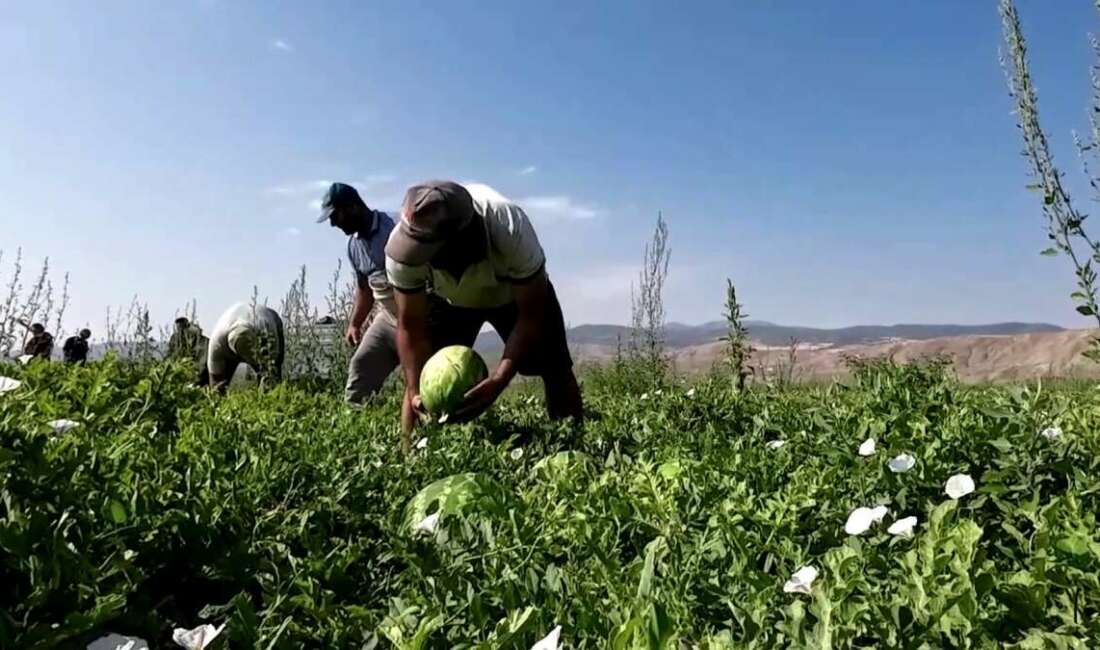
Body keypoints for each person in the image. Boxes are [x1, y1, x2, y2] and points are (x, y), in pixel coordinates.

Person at [385, 180, 583, 440]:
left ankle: (572, 442)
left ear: (461, 238)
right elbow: (410, 326)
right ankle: (409, 453)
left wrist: (499, 380)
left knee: (555, 366)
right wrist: (414, 389)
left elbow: (531, 314)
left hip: (512, 295)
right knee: (422, 375)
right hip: (449, 301)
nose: (422, 258)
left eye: (429, 250)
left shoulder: (509, 227)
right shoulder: (403, 251)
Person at [316, 182, 400, 404]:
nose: (332, 223)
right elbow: (364, 289)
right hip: (389, 318)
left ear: (353, 207)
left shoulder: (395, 227)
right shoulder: (353, 246)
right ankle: (352, 418)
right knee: (361, 365)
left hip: (420, 317)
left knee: (423, 375)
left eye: (335, 216)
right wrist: (355, 324)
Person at [206, 302, 285, 392]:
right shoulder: (217, 344)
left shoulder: (268, 331)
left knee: (270, 376)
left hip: (262, 323)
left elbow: (272, 367)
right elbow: (215, 380)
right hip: (235, 322)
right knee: (220, 384)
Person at [168, 317, 210, 385]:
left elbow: (203, 362)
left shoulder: (202, 341)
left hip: (198, 377)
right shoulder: (174, 339)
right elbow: (171, 356)